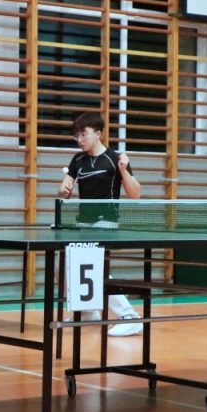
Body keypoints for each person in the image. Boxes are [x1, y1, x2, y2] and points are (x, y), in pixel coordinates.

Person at [59, 111, 144, 337]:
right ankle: (88, 312)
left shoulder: (115, 159)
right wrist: (64, 188)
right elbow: (66, 185)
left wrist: (124, 171)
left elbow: (135, 194)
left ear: (98, 134)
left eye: (83, 134)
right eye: (77, 135)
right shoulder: (78, 160)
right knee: (72, 265)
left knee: (96, 269)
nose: (79, 139)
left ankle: (130, 317)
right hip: (83, 222)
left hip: (106, 221)